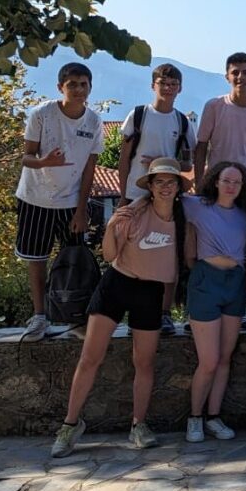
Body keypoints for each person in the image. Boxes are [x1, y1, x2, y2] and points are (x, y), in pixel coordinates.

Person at [51, 157, 184, 457]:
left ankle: (139, 425)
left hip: (151, 291)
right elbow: (110, 256)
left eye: (170, 181)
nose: (165, 187)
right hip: (117, 284)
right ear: (149, 186)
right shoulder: (133, 213)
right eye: (159, 181)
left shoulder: (184, 219)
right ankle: (70, 425)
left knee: (145, 362)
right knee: (90, 357)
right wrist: (112, 227)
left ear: (178, 186)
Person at [16, 62, 102, 342]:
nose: (78, 90)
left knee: (75, 261)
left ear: (90, 87)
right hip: (35, 199)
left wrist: (81, 209)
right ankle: (40, 315)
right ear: (60, 87)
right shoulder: (41, 114)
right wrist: (43, 162)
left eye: (83, 85)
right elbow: (26, 157)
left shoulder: (93, 121)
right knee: (36, 259)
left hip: (71, 202)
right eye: (72, 84)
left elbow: (90, 168)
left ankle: (75, 316)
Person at [118, 62, 197, 335]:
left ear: (180, 88)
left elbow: (189, 163)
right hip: (136, 194)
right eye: (163, 83)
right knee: (132, 254)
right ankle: (135, 315)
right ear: (153, 85)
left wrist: (167, 162)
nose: (168, 88)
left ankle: (163, 313)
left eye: (173, 84)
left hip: (168, 196)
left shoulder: (182, 122)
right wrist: (121, 196)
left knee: (169, 254)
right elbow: (124, 157)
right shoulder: (139, 115)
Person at [182, 162, 246, 443]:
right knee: (209, 360)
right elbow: (164, 193)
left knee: (225, 358)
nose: (231, 186)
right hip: (206, 281)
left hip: (235, 283)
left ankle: (213, 417)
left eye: (237, 182)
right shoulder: (197, 205)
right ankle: (195, 417)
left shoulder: (245, 214)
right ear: (215, 181)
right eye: (226, 180)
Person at [195, 52, 246, 203]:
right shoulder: (214, 106)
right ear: (227, 77)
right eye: (235, 72)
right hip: (218, 177)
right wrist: (199, 183)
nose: (240, 77)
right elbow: (201, 147)